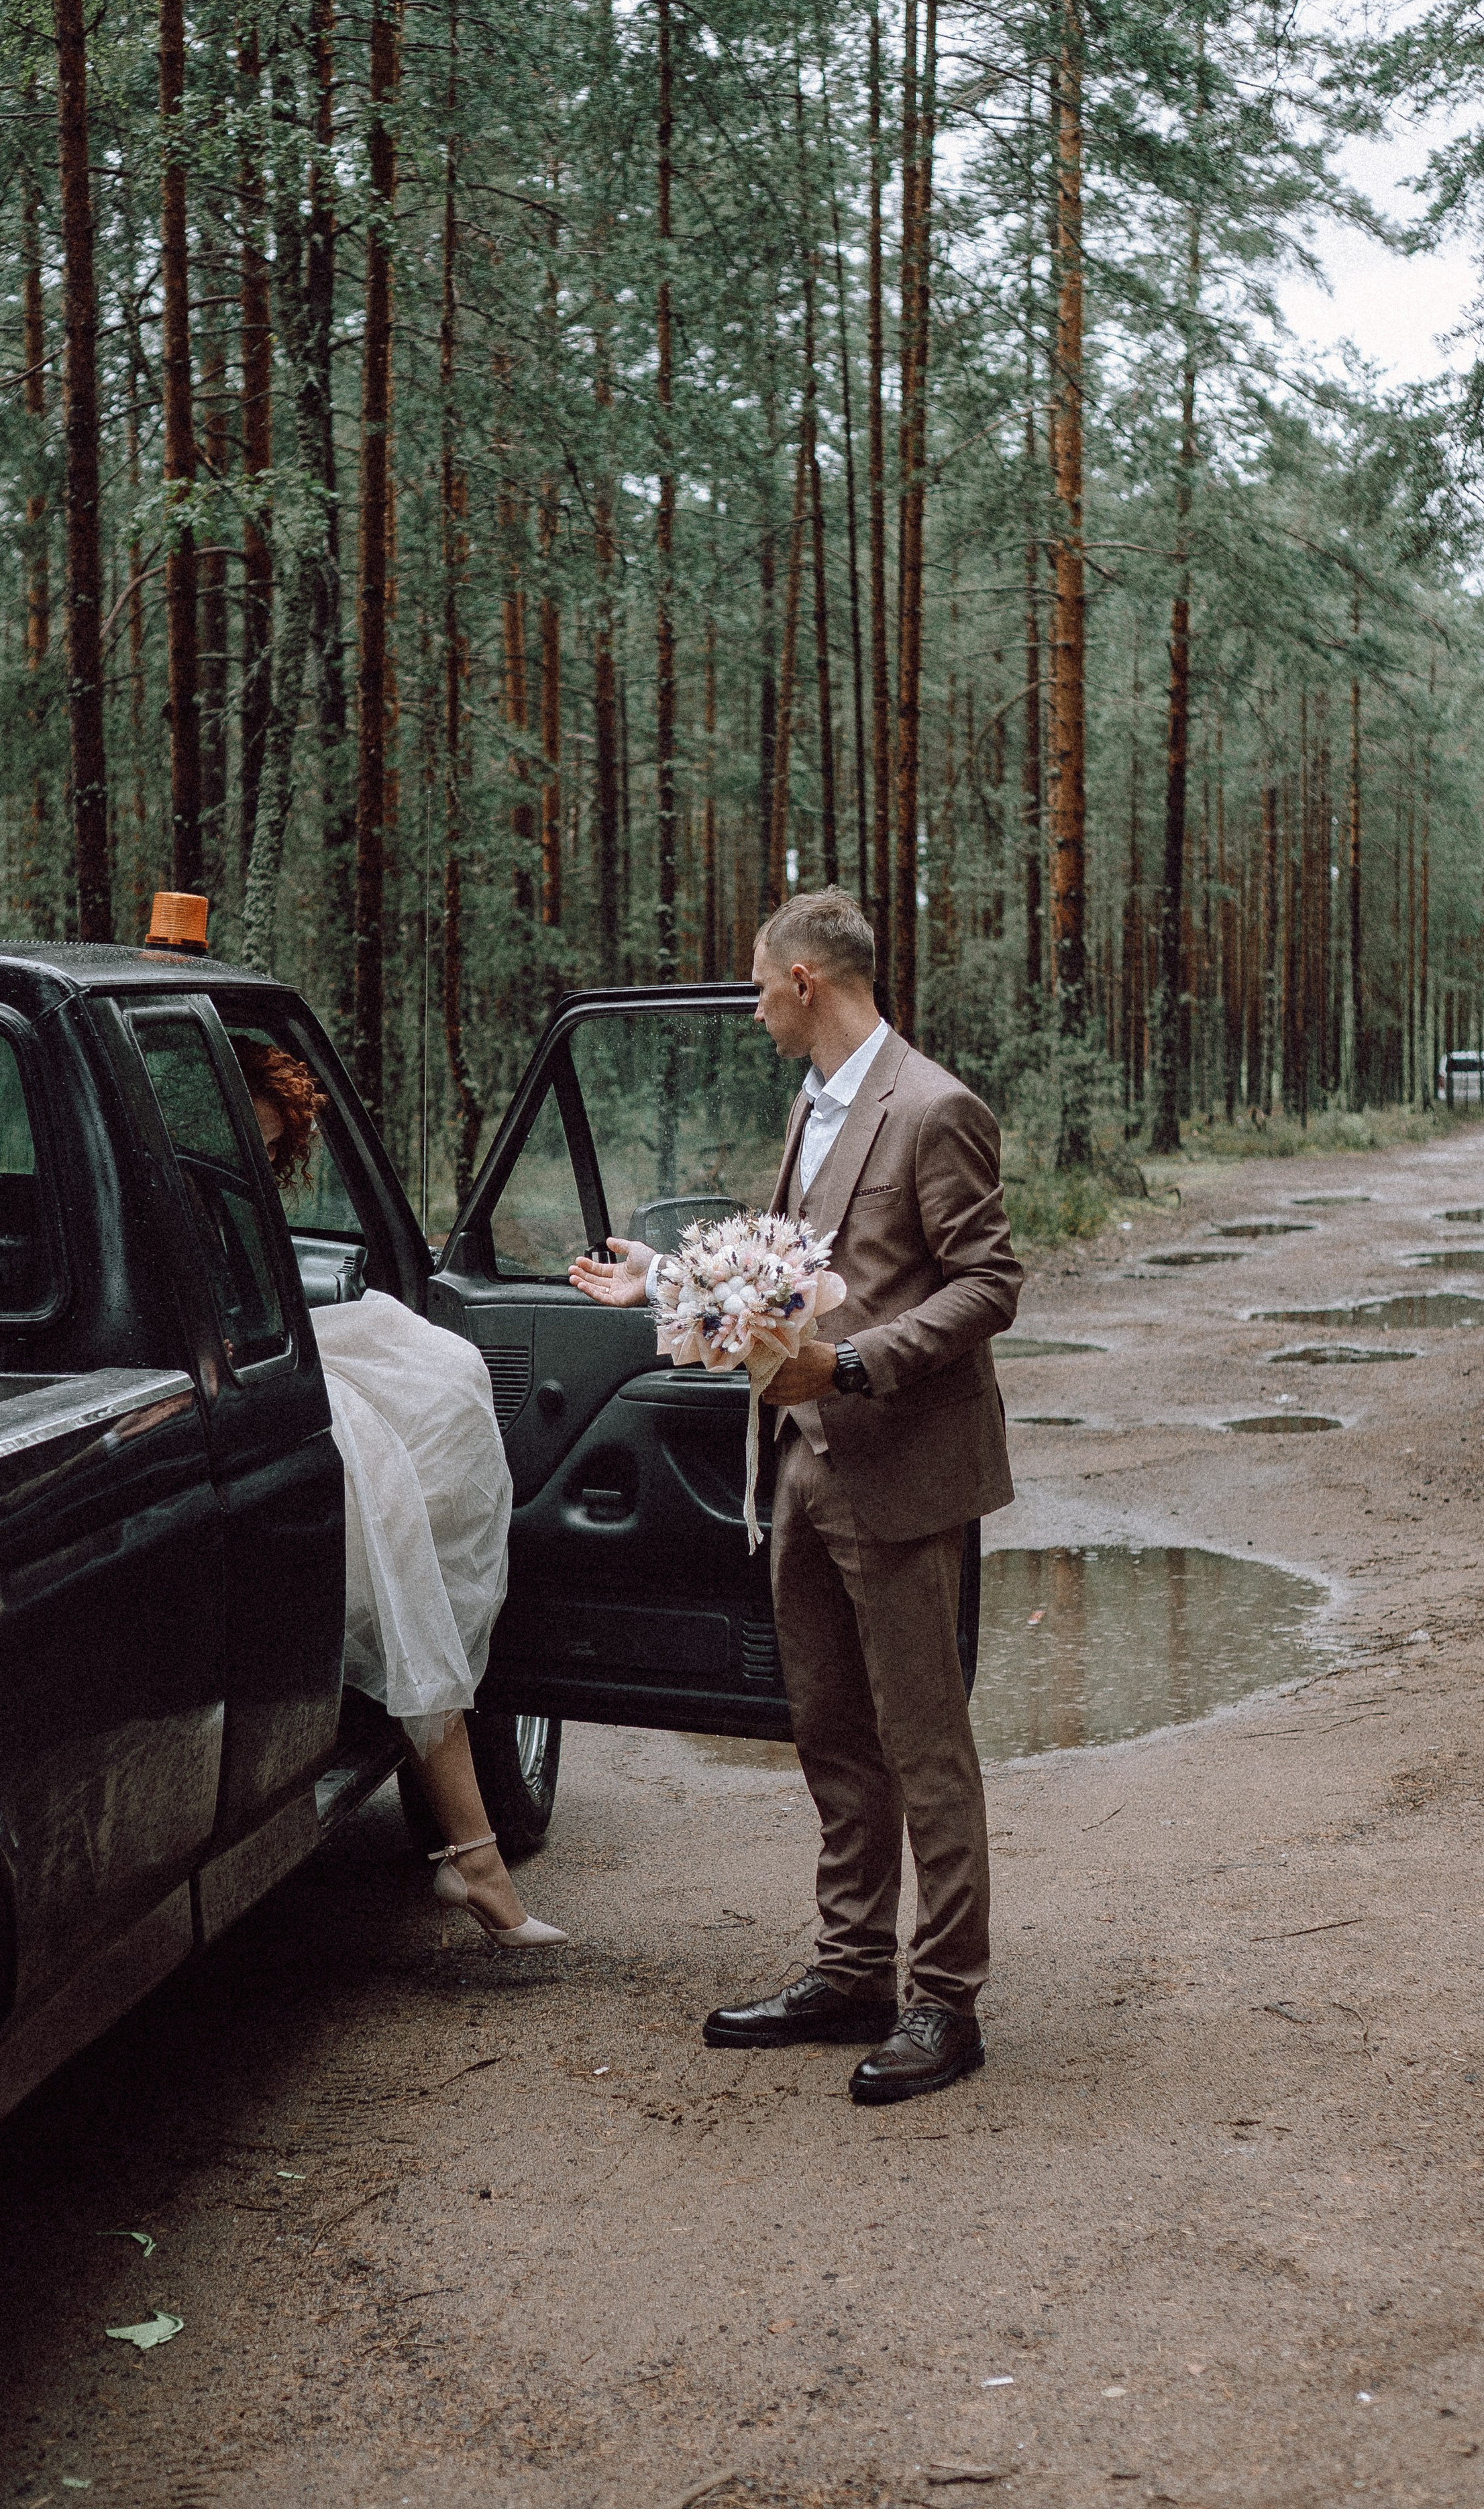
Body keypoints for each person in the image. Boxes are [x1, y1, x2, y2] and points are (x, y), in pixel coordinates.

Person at [569, 888, 1020, 2101]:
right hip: (800, 1470)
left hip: (905, 1471)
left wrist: (861, 1365)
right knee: (829, 1733)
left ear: (809, 980)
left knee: (925, 1744)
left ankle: (946, 2003)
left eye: (764, 982)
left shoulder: (933, 1109)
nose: (757, 1002)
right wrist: (666, 1282)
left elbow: (989, 1285)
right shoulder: (811, 1107)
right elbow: (794, 1286)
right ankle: (851, 1971)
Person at [231, 1038, 565, 1953]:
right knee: (383, 1488)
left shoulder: (199, 1188)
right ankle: (475, 1856)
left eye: (267, 1154)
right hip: (224, 1371)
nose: (256, 1168)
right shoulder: (154, 1189)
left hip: (262, 1345)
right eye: (245, 1149)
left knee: (446, 1369)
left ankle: (471, 1847)